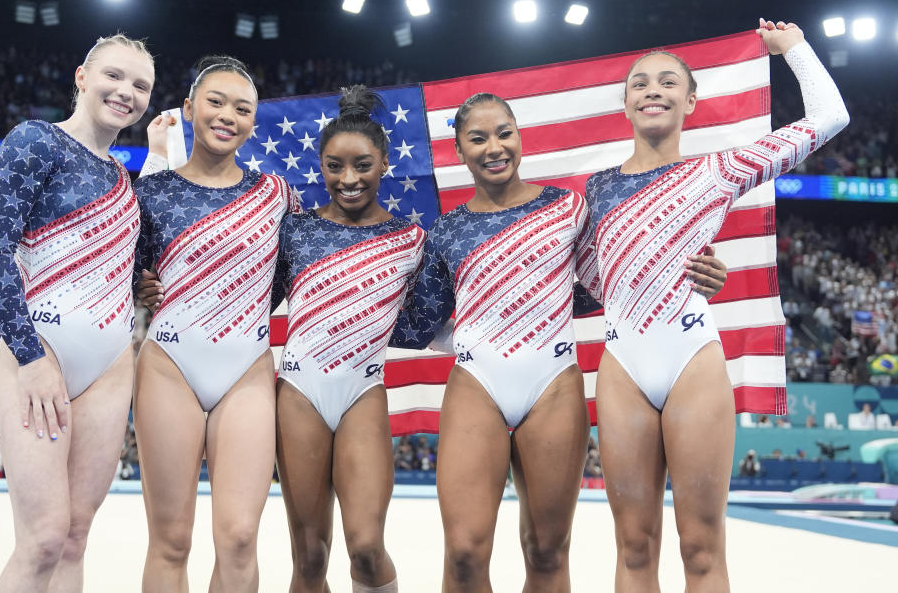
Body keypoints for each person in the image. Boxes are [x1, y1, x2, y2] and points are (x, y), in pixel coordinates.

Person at [391, 92, 728, 591]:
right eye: (477, 138)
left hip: (552, 384)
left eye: (504, 132)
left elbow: (615, 277)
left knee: (547, 552)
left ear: (520, 138)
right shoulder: (446, 231)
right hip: (477, 382)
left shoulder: (567, 208)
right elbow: (418, 325)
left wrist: (698, 274)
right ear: (458, 150)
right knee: (463, 553)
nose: (494, 147)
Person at [582, 19, 848, 591]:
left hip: (690, 361)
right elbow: (588, 282)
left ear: (692, 100)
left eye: (668, 82)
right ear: (624, 104)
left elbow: (830, 118)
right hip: (622, 363)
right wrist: (650, 277)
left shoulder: (717, 171)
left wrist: (793, 48)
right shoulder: (596, 189)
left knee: (701, 548)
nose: (653, 89)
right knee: (632, 549)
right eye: (640, 83)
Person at [0, 34, 154, 591]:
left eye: (141, 85)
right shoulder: (35, 142)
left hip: (109, 365)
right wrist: (30, 356)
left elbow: (121, 265)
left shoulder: (124, 180)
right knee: (44, 536)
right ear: (82, 76)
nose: (126, 92)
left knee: (75, 537)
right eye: (115, 76)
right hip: (37, 354)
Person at [131, 55, 298, 592]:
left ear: (254, 123)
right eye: (216, 102)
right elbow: (127, 273)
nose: (228, 115)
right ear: (188, 109)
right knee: (171, 540)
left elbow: (288, 277)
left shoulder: (276, 195)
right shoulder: (149, 193)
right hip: (169, 367)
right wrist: (139, 286)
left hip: (245, 367)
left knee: (239, 538)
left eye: (242, 108)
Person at [274, 86, 422, 593]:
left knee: (365, 548)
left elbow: (441, 317)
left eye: (362, 164)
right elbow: (243, 293)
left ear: (384, 163)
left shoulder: (412, 239)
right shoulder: (294, 231)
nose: (349, 179)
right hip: (299, 394)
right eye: (335, 166)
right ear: (320, 164)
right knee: (310, 559)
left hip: (362, 392)